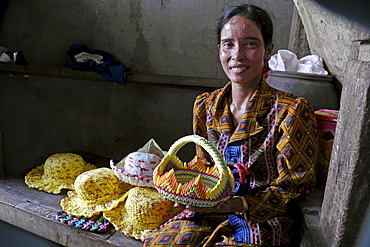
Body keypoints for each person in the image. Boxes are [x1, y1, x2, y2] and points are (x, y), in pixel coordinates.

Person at [143, 3, 318, 246]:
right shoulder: (205, 105)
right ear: (219, 50)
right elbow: (205, 171)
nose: (237, 55)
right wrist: (190, 195)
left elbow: (295, 185)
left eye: (250, 44)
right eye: (228, 44)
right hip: (209, 210)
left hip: (263, 218)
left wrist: (238, 204)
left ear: (268, 50)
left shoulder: (291, 111)